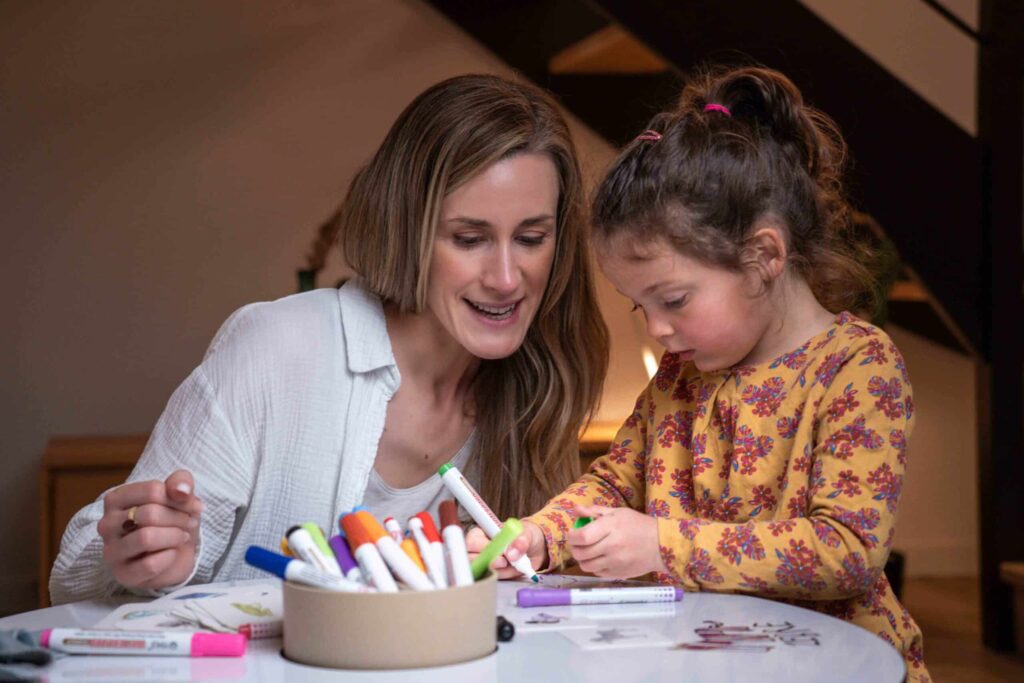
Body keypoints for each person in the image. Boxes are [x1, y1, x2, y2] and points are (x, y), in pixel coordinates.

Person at [50, 74, 609, 604]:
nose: (507, 278)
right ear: (406, 230)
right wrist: (142, 554)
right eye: (469, 239)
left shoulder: (542, 384)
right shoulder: (276, 347)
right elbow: (76, 576)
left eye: (532, 237)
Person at [477, 66, 930, 681]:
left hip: (834, 665)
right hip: (705, 658)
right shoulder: (681, 376)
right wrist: (542, 535)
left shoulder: (857, 367)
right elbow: (614, 484)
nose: (657, 329)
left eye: (675, 299)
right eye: (643, 306)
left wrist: (663, 544)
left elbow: (846, 550)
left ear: (763, 256)